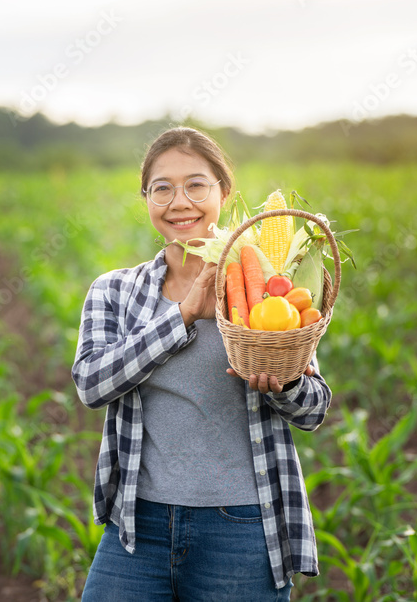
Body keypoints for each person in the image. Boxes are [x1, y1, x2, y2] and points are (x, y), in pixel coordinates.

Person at [71, 126, 332, 601]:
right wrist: (184, 313)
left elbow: (313, 409)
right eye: (162, 188)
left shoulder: (267, 289)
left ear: (224, 193)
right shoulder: (114, 291)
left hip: (241, 527)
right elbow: (92, 384)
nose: (179, 202)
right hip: (138, 525)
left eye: (196, 185)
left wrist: (282, 385)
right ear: (146, 199)